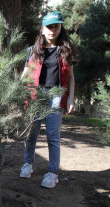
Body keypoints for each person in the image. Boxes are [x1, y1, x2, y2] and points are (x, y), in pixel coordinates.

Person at [20, 11, 78, 188]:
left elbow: (71, 77)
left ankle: (53, 173)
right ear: (42, 29)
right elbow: (25, 74)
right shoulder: (33, 50)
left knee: (53, 135)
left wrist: (71, 99)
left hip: (56, 94)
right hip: (35, 95)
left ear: (61, 28)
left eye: (56, 26)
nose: (53, 30)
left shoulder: (66, 50)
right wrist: (16, 92)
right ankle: (27, 163)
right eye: (49, 26)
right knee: (31, 132)